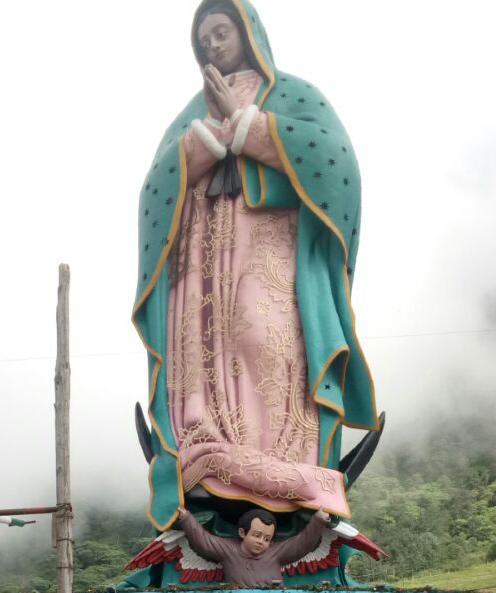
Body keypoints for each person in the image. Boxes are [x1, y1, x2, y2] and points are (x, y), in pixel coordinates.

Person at [133, 0, 379, 534]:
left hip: (271, 254)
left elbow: (337, 163)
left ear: (248, 32)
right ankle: (210, 461)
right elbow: (154, 192)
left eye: (221, 33)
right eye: (204, 41)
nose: (213, 46)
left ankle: (288, 471)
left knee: (270, 348)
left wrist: (249, 128)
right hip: (202, 267)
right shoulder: (188, 116)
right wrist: (204, 143)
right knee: (210, 356)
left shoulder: (296, 96)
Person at [177, 504, 331, 588]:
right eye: (256, 535)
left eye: (266, 538)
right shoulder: (228, 549)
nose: (261, 542)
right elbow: (203, 540)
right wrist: (185, 518)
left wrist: (319, 520)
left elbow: (302, 543)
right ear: (242, 533)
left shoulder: (276, 551)